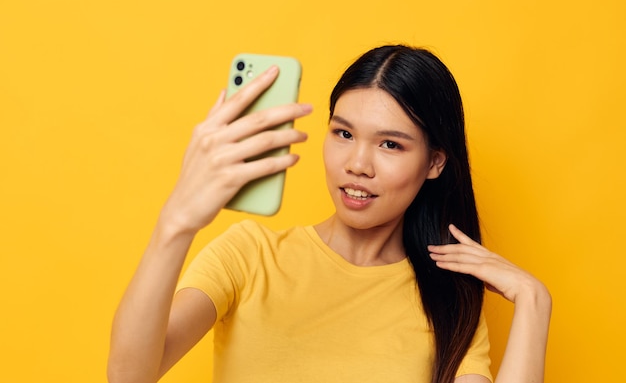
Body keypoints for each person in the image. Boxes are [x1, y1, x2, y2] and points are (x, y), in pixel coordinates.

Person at [108, 45, 551, 383]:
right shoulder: (250, 255)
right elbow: (129, 375)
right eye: (343, 133)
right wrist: (176, 223)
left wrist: (534, 301)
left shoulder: (448, 302)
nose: (357, 163)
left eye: (390, 144)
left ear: (435, 162)